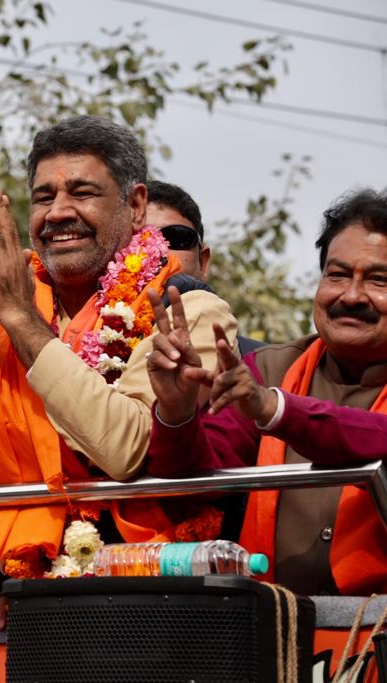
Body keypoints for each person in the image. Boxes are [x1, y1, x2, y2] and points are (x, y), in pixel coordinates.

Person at [0, 115, 238, 585]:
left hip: (152, 587)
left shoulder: (187, 309)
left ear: (136, 206)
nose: (58, 212)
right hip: (28, 593)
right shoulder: (6, 314)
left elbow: (126, 449)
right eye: (43, 197)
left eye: (82, 193)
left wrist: (21, 322)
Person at [145, 187, 387, 596]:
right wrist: (177, 411)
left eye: (378, 279)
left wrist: (275, 409)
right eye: (338, 274)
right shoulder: (271, 369)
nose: (351, 295)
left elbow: (375, 436)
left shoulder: (263, 390)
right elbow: (198, 482)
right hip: (274, 626)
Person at [146, 180, 264, 356]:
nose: (157, 251)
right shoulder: (91, 350)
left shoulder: (260, 361)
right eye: (139, 238)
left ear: (203, 261)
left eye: (176, 238)